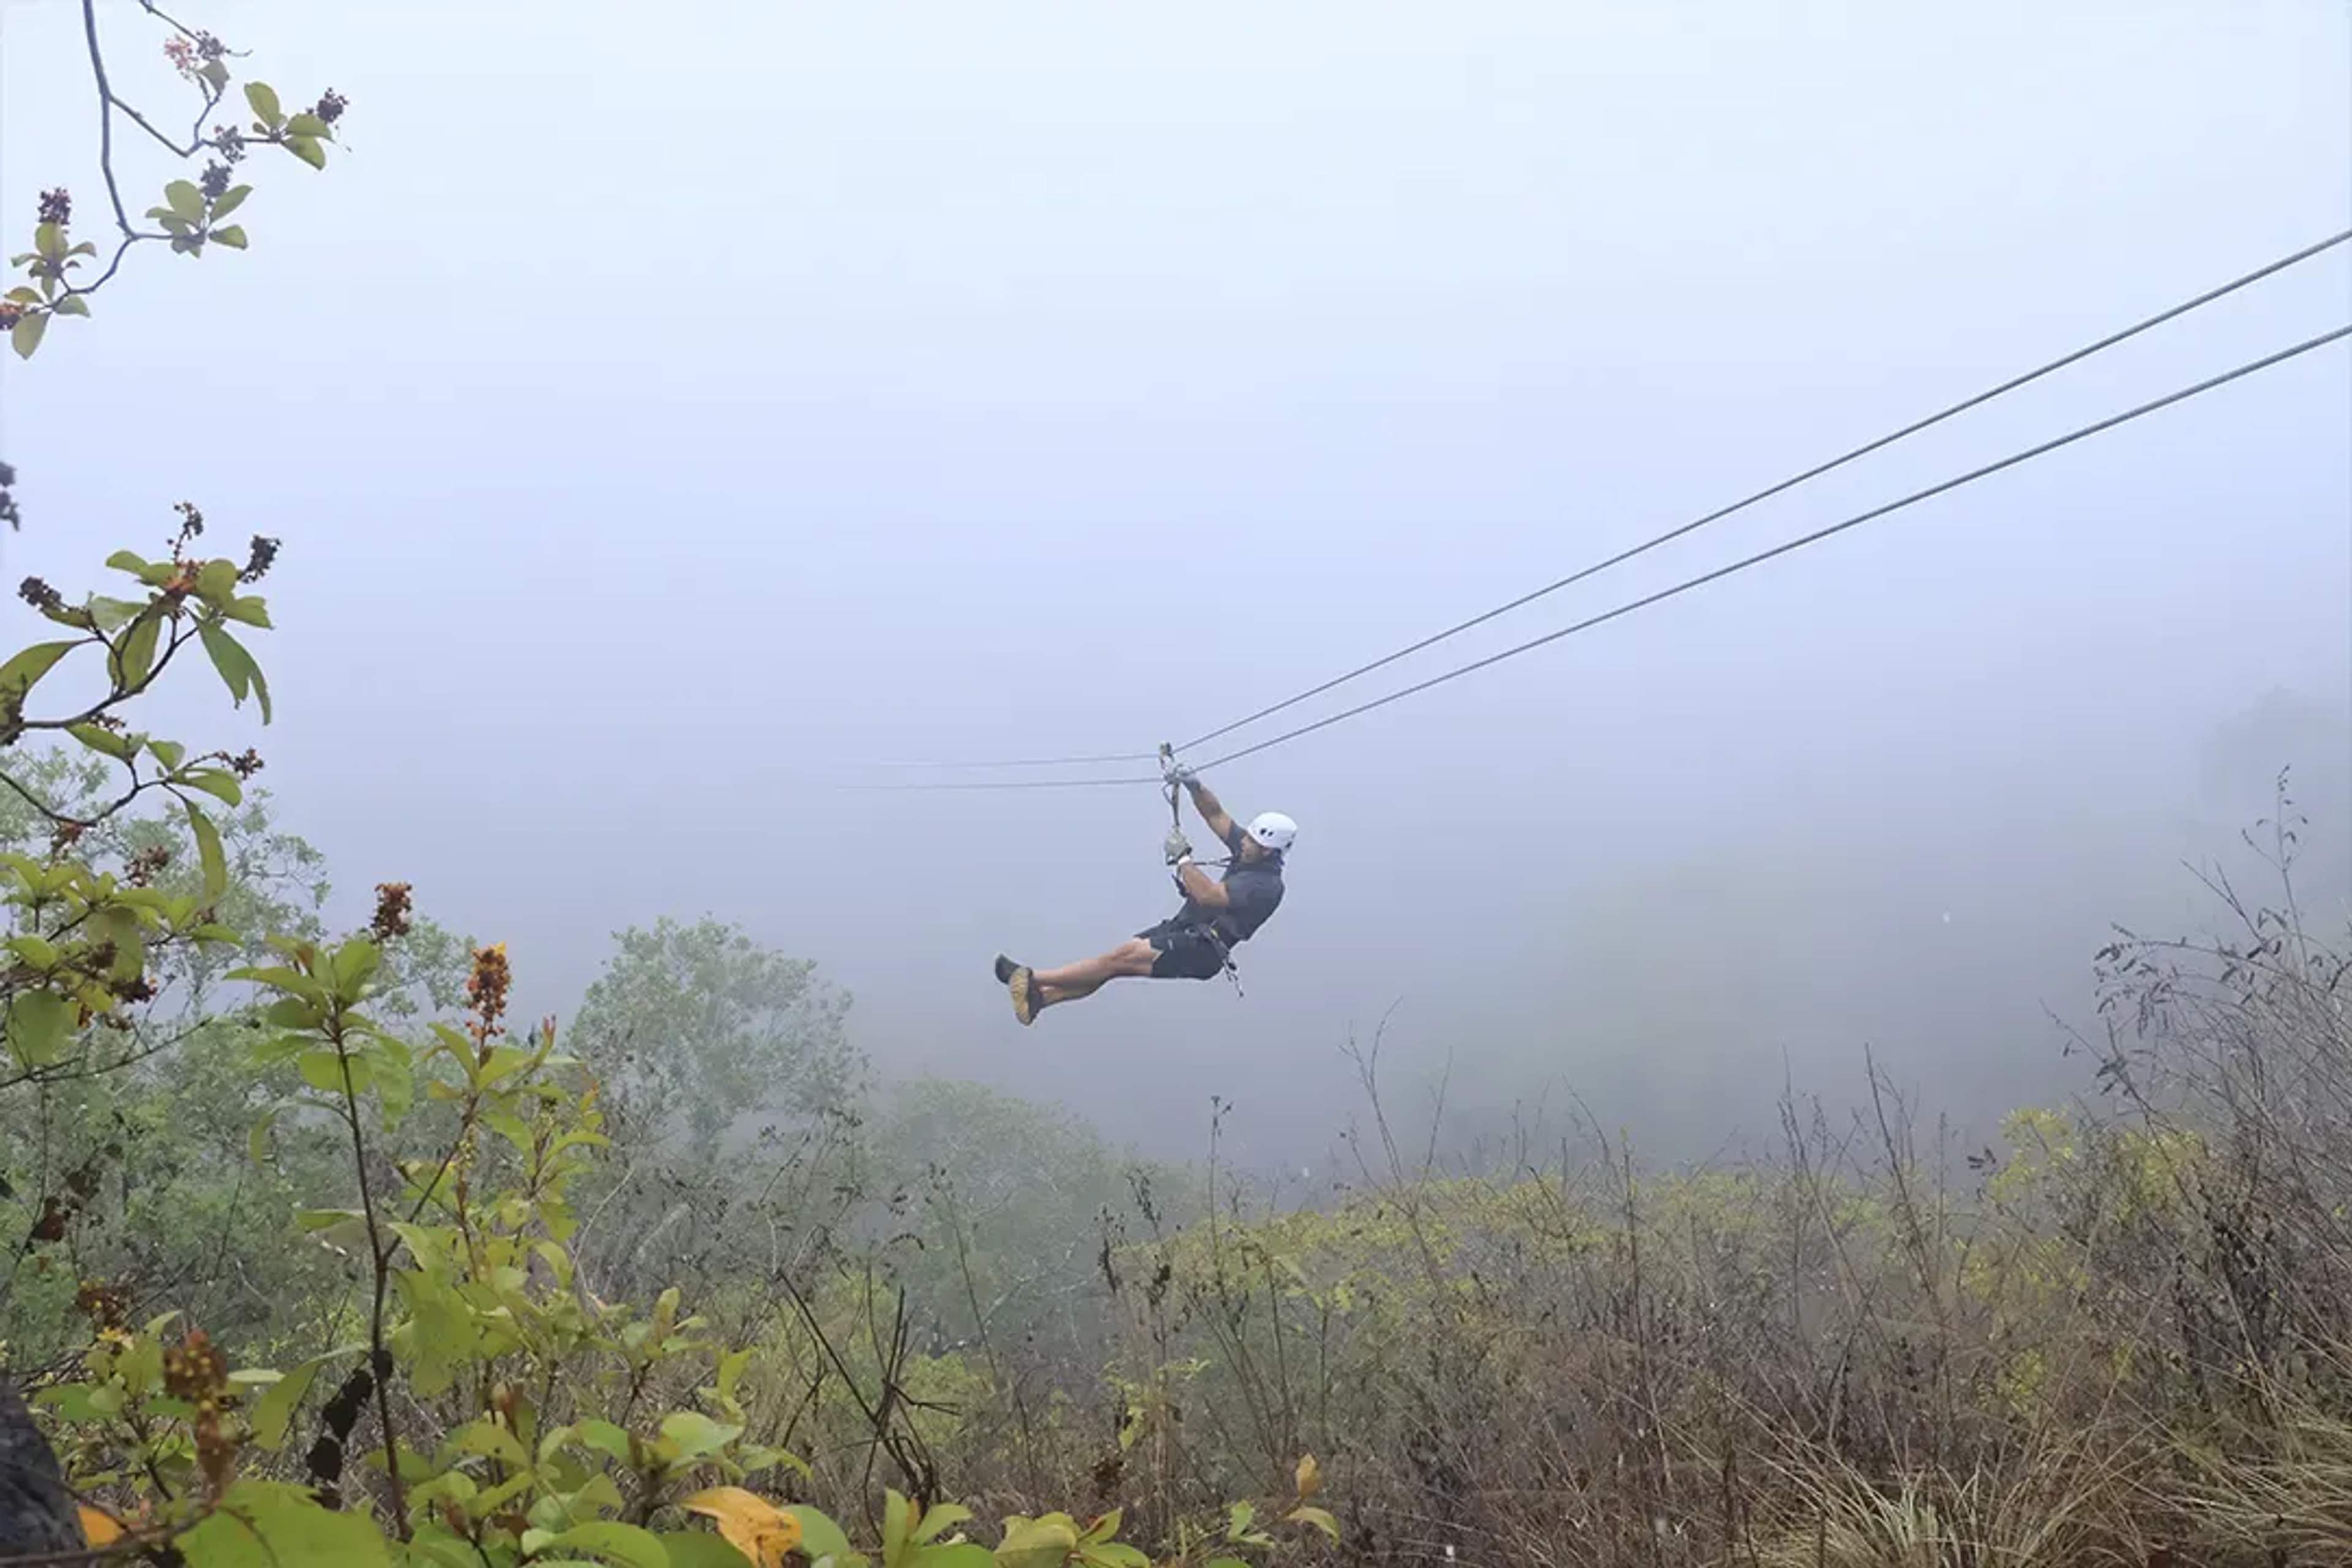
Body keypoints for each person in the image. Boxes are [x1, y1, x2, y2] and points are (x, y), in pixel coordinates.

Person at [994, 762, 1294, 1025]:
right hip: (1187, 929)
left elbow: (1209, 897)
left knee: (1117, 959)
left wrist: (1183, 858)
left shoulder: (1264, 886)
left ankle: (1028, 977)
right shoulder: (1250, 852)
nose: (1244, 843)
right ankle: (1041, 1001)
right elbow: (1216, 815)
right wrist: (1194, 786)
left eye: (1251, 842)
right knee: (1111, 964)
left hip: (1203, 950)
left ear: (1268, 851)